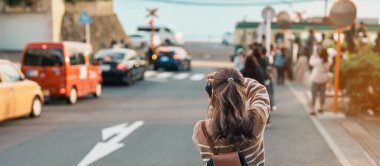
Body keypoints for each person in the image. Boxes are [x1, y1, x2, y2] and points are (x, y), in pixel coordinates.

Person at [193, 67, 270, 166]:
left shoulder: (201, 129)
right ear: (240, 91)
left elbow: (214, 117)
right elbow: (260, 90)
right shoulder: (256, 120)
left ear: (214, 95)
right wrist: (233, 79)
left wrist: (223, 81)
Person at [309, 48, 332, 115]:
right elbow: (330, 59)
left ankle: (312, 109)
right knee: (322, 94)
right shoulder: (329, 61)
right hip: (323, 80)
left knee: (314, 95)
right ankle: (321, 108)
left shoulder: (318, 61)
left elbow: (311, 62)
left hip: (315, 79)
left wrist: (314, 55)